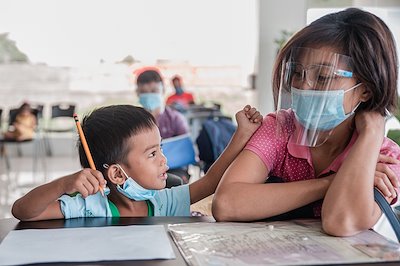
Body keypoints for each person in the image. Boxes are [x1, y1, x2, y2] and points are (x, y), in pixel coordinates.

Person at [212, 8, 400, 237]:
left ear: (366, 90)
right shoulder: (280, 129)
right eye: (297, 74)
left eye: (322, 77)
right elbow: (227, 203)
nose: (304, 86)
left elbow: (341, 222)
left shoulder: (384, 156)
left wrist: (373, 131)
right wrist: (330, 183)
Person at [11, 104, 262, 221]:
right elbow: (22, 211)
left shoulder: (164, 202)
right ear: (118, 175)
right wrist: (63, 184)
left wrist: (242, 135)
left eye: (160, 149)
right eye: (152, 154)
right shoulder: (89, 207)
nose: (164, 159)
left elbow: (210, 181)